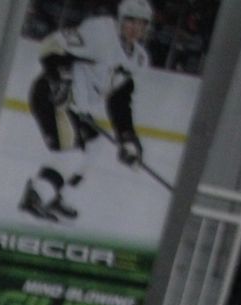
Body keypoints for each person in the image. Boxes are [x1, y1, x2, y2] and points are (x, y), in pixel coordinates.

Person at [19, 0, 152, 222]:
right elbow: (51, 46)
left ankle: (57, 194)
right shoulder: (101, 33)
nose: (135, 28)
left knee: (93, 144)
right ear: (120, 20)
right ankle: (36, 196)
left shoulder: (138, 59)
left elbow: (119, 102)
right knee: (72, 154)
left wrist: (128, 139)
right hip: (54, 97)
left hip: (75, 107)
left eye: (141, 23)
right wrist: (60, 79)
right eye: (130, 21)